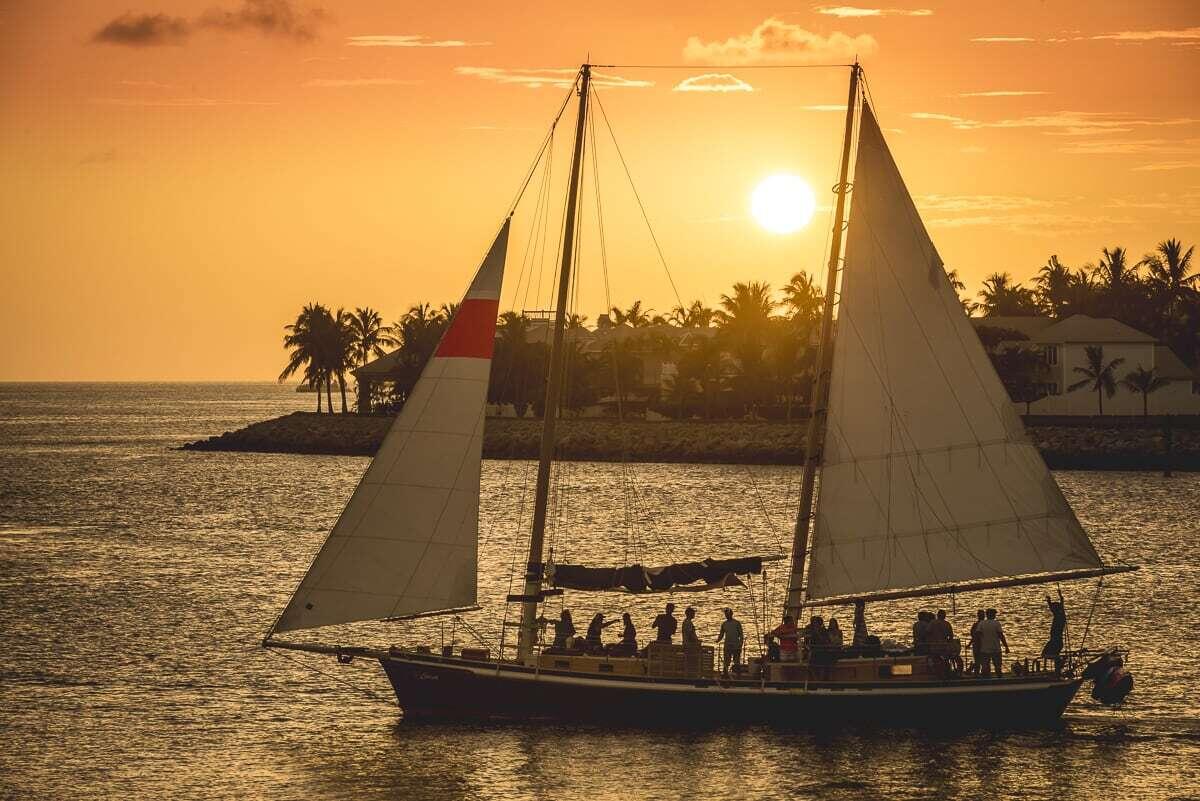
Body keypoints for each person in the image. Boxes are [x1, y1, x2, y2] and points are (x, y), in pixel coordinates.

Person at [976, 608, 1009, 676]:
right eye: (994, 614)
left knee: (985, 668)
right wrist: (1006, 646)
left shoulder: (982, 623)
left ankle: (986, 682)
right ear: (991, 615)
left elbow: (977, 635)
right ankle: (999, 681)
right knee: (998, 667)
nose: (995, 615)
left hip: (984, 649)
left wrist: (981, 642)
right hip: (996, 649)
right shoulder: (996, 623)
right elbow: (1001, 636)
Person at [1042, 589, 1067, 671]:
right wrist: (1051, 600)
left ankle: (1058, 666)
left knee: (1045, 654)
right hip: (1056, 642)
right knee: (1049, 655)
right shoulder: (1060, 616)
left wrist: (1050, 601)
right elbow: (1059, 606)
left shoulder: (1059, 618)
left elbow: (1058, 607)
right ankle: (1057, 668)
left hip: (1055, 642)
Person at [716, 608, 744, 676]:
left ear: (731, 614)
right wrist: (718, 640)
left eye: (728, 614)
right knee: (726, 661)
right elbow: (722, 634)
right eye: (726, 614)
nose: (726, 615)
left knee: (736, 661)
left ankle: (738, 675)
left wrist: (740, 644)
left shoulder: (737, 623)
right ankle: (725, 674)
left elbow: (741, 635)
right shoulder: (724, 624)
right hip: (727, 645)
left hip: (736, 645)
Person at [968, 610, 985, 674]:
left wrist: (969, 644)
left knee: (980, 661)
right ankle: (978, 673)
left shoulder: (976, 625)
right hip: (980, 645)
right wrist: (970, 644)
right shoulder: (976, 625)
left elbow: (973, 636)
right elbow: (974, 636)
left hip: (980, 645)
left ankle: (977, 673)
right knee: (982, 661)